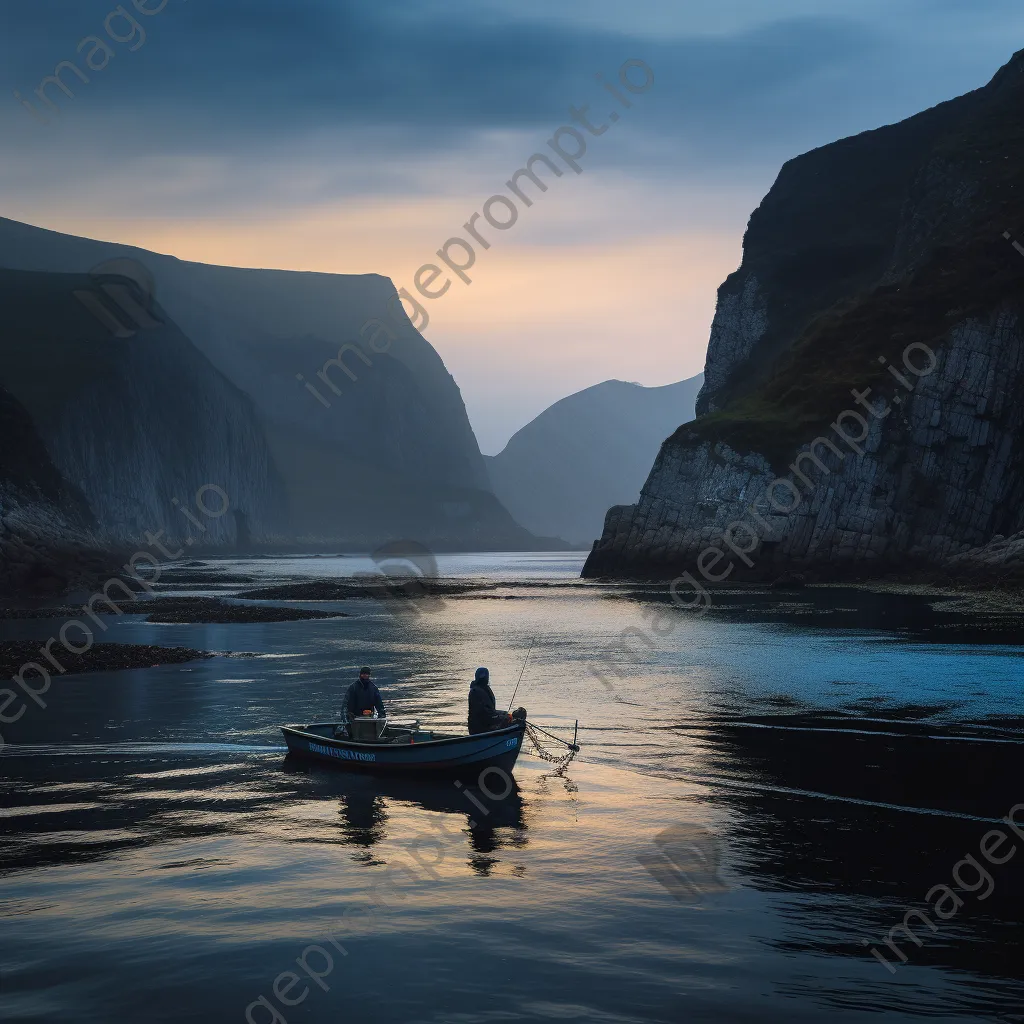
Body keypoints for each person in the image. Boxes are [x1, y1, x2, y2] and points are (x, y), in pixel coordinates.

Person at [468, 666, 526, 734]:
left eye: (484, 677)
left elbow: (491, 712)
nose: (483, 679)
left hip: (484, 725)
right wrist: (504, 717)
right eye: (482, 677)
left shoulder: (483, 689)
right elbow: (486, 716)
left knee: (516, 717)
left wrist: (505, 714)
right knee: (514, 722)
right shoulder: (476, 692)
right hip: (480, 729)